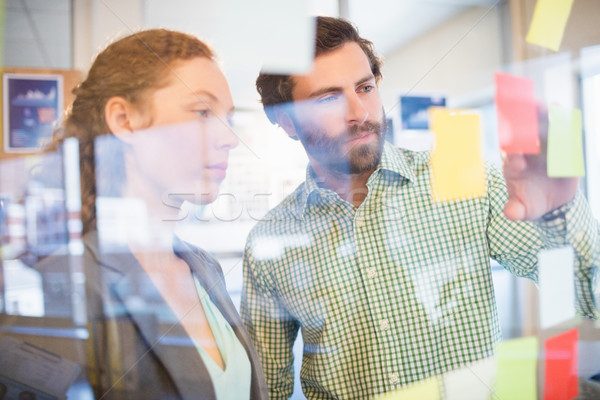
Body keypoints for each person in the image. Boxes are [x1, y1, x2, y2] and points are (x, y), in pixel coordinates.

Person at [240, 16, 600, 399]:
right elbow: (266, 390)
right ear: (286, 121)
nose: (359, 112)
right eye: (327, 98)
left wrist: (560, 213)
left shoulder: (466, 181)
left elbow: (588, 297)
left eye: (365, 87)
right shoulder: (269, 242)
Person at [15, 29, 267, 400]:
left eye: (227, 117)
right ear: (124, 119)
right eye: (201, 111)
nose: (230, 137)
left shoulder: (204, 267)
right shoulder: (63, 282)